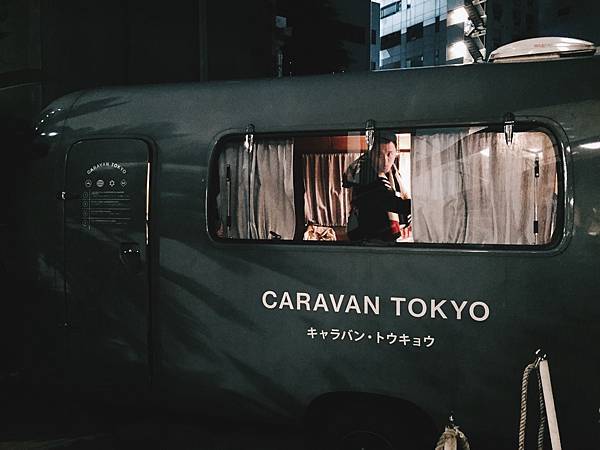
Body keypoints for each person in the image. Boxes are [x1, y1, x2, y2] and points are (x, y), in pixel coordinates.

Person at [343, 131, 412, 242]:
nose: (385, 161)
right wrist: (422, 206)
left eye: (389, 154)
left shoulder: (393, 172)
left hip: (383, 235)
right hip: (367, 237)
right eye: (379, 155)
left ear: (396, 152)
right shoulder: (364, 174)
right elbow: (391, 203)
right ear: (371, 154)